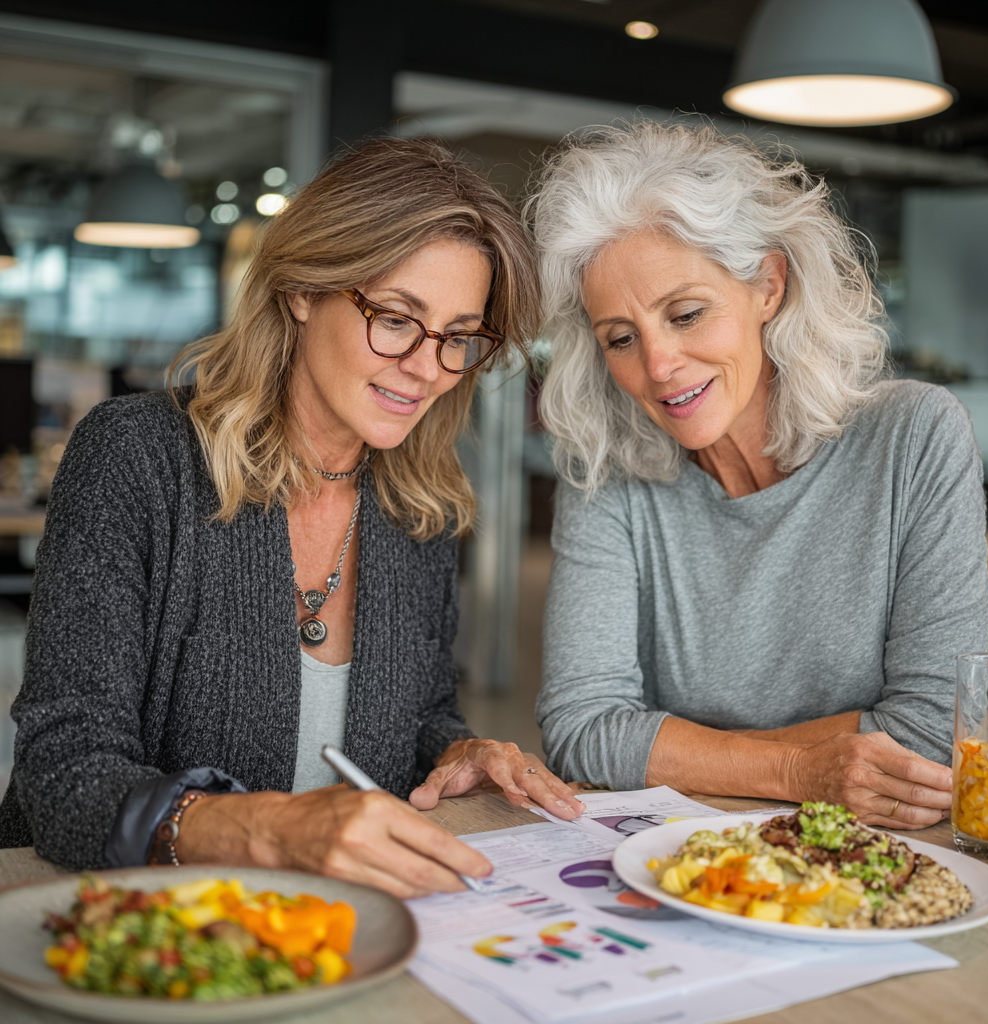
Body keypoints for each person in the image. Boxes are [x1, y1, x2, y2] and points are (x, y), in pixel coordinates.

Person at [0, 138, 582, 894]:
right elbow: (63, 769)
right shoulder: (139, 457)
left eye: (458, 338)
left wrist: (454, 752)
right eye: (398, 318)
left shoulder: (420, 507)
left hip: (328, 928)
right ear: (302, 289)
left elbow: (422, 714)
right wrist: (268, 831)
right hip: (123, 926)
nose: (428, 366)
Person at [528, 122, 988, 830]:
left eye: (686, 314)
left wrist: (668, 749)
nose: (657, 366)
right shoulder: (606, 474)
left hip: (874, 862)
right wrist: (801, 771)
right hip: (677, 860)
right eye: (620, 338)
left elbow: (932, 735)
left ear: (768, 286)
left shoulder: (915, 437)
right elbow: (582, 730)